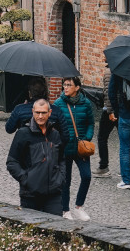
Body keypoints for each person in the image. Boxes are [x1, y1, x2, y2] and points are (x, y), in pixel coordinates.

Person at [6, 98, 65, 216]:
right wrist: (26, 180)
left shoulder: (55, 134)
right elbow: (12, 162)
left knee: (56, 228)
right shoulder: (23, 134)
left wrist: (60, 178)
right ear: (33, 112)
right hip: (30, 194)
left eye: (43, 113)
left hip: (53, 194)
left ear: (50, 113)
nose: (40, 116)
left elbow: (61, 159)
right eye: (37, 112)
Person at [54, 76, 95, 221]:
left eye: (69, 85)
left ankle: (79, 207)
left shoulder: (86, 103)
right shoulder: (58, 104)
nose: (65, 87)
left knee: (86, 176)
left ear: (77, 87)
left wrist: (87, 137)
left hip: (80, 147)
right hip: (65, 148)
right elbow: (54, 125)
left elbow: (91, 123)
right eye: (64, 85)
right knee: (66, 180)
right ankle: (65, 210)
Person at [93, 58, 115, 177]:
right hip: (122, 109)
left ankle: (103, 166)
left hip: (110, 110)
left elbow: (107, 92)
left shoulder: (109, 72)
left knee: (102, 137)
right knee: (124, 139)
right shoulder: (124, 69)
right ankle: (125, 165)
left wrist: (110, 111)